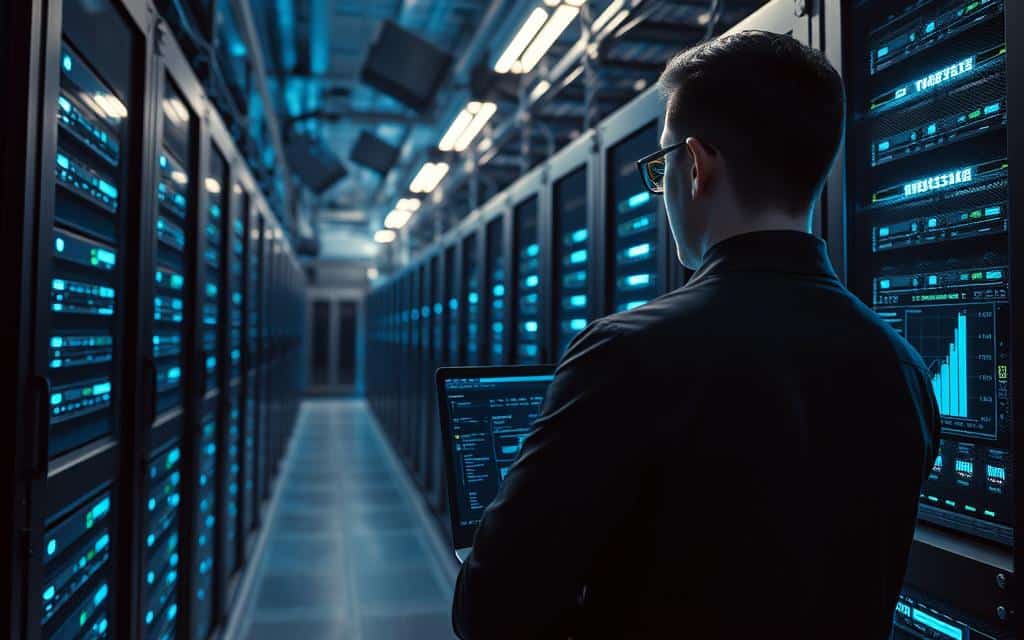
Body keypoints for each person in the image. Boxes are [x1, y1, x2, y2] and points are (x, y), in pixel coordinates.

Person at [452, 30, 940, 639]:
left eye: (662, 164)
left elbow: (492, 609)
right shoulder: (903, 368)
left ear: (696, 164)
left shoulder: (625, 354)